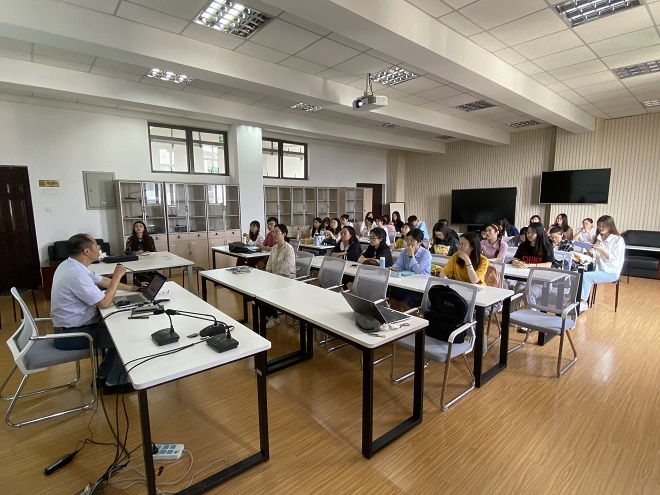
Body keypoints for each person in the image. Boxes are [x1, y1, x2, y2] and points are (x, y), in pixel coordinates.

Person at [51, 234, 139, 394]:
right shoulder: (75, 274)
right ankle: (115, 383)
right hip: (71, 336)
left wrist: (133, 289)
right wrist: (117, 276)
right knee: (126, 338)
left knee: (120, 329)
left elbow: (103, 281)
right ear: (86, 251)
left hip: (75, 328)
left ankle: (103, 375)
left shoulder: (71, 265)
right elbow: (104, 302)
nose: (99, 249)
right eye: (96, 246)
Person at [579, 215, 625, 313]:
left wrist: (602, 249)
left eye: (603, 226)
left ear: (610, 226)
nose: (600, 228)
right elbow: (594, 255)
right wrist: (587, 247)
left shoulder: (617, 240)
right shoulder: (599, 238)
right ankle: (576, 300)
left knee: (586, 277)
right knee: (578, 273)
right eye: (599, 226)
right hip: (599, 269)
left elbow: (614, 258)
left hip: (611, 272)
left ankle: (583, 303)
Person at [388, 228, 432, 310]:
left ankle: (411, 316)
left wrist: (411, 255)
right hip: (406, 284)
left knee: (405, 302)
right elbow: (398, 264)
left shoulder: (426, 254)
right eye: (407, 240)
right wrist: (394, 268)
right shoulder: (404, 252)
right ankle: (398, 315)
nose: (409, 243)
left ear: (420, 242)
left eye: (412, 240)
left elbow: (418, 271)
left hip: (420, 287)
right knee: (392, 298)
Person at [263, 224, 296, 328]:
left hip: (286, 280)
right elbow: (269, 264)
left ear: (284, 234)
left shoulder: (288, 248)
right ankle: (269, 314)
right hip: (275, 278)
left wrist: (273, 280)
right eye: (273, 232)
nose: (274, 234)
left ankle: (275, 317)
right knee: (260, 288)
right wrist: (267, 276)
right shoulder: (274, 248)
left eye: (276, 232)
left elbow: (286, 269)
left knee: (269, 290)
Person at [125, 221, 157, 285]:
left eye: (140, 226)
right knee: (139, 282)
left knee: (151, 281)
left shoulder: (149, 238)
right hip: (137, 262)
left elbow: (154, 251)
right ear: (134, 229)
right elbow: (127, 252)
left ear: (144, 228)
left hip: (149, 261)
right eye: (136, 226)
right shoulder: (130, 239)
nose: (138, 228)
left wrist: (149, 252)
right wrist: (136, 253)